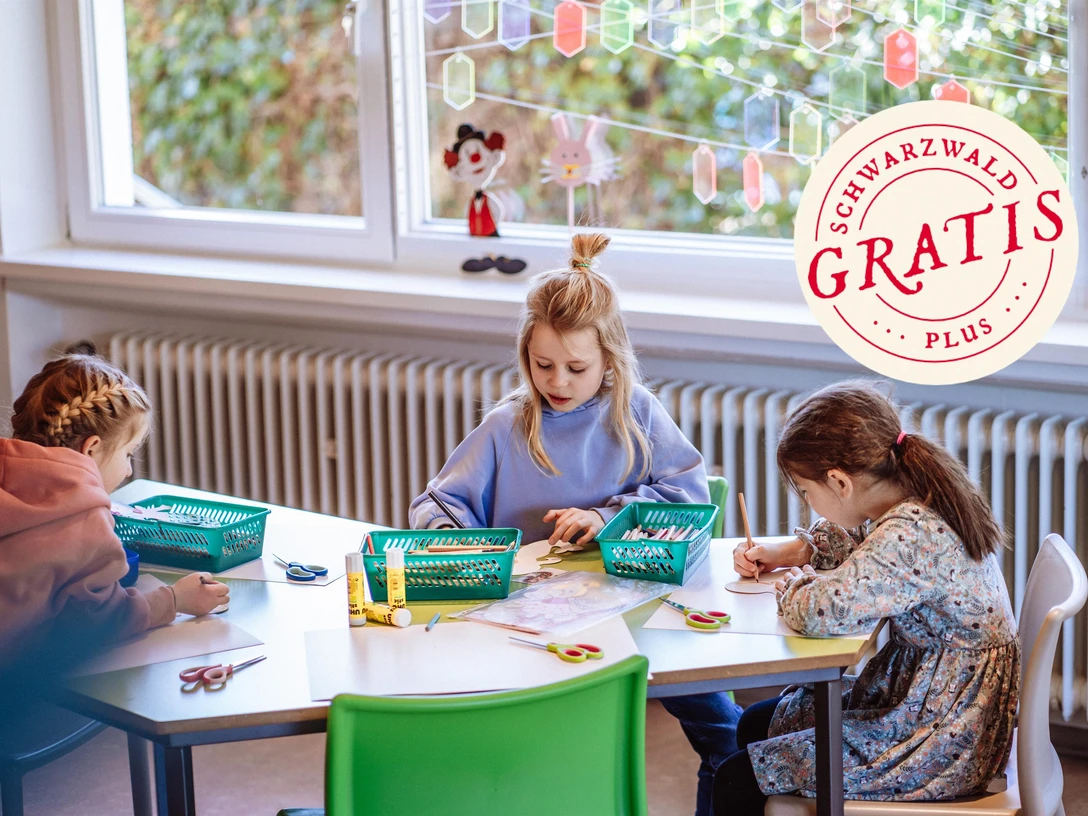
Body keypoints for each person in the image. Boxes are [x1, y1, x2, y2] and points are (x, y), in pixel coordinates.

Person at [409, 233, 742, 815]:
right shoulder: (505, 426)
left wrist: (605, 516)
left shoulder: (637, 412)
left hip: (647, 611)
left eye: (576, 367)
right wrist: (452, 539)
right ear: (525, 357)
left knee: (731, 741)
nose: (557, 381)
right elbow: (435, 507)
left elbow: (687, 496)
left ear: (609, 360)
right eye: (542, 365)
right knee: (550, 754)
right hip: (535, 627)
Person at [715, 381, 1018, 812]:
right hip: (932, 700)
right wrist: (796, 551)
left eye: (806, 492)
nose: (809, 503)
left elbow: (822, 610)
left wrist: (794, 583)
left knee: (737, 779)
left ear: (839, 482)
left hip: (939, 735)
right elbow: (863, 544)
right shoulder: (911, 496)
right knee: (757, 722)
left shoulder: (912, 533)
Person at [1, 348, 230, 675]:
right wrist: (174, 600)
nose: (127, 471)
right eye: (128, 454)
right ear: (91, 449)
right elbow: (98, 622)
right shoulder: (84, 515)